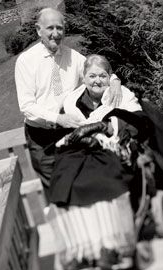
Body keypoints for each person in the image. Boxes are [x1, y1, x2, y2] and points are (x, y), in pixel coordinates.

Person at [47, 54, 154, 270]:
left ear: (110, 76)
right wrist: (79, 136)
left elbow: (138, 124)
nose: (97, 80)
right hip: (79, 152)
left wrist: (102, 127)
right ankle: (83, 249)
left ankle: (110, 246)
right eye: (92, 75)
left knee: (101, 182)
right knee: (63, 183)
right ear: (83, 77)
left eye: (103, 76)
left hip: (112, 148)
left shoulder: (121, 95)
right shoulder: (71, 102)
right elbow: (63, 133)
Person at [14, 8, 122, 196]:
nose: (56, 34)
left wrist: (114, 81)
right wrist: (57, 118)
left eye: (60, 28)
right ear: (38, 30)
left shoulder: (73, 57)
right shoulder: (26, 62)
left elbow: (96, 70)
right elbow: (26, 106)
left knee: (79, 185)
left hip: (70, 134)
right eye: (50, 28)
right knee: (58, 192)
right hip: (42, 139)